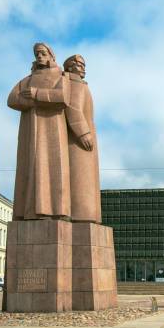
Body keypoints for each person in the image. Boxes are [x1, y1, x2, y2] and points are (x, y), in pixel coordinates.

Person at [8, 42, 71, 220]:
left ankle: (56, 211)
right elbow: (12, 99)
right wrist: (29, 103)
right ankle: (30, 212)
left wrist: (36, 94)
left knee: (53, 168)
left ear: (51, 55)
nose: (39, 57)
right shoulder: (27, 79)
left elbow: (64, 97)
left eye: (43, 53)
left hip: (53, 128)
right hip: (30, 130)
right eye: (37, 54)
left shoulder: (60, 76)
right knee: (32, 167)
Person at [62, 54, 101, 222]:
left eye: (83, 64)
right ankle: (82, 215)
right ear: (69, 67)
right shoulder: (73, 83)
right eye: (78, 64)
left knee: (86, 179)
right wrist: (83, 133)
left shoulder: (80, 83)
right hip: (78, 141)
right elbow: (73, 108)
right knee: (81, 179)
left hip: (84, 138)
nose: (82, 67)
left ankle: (85, 215)